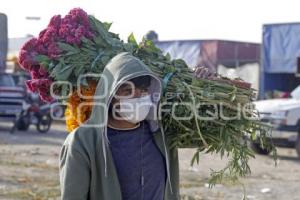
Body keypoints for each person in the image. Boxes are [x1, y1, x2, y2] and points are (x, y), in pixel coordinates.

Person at [59, 52, 215, 200]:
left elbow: (208, 134)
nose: (139, 98)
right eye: (128, 91)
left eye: (144, 90)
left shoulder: (162, 133)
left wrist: (204, 85)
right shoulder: (83, 142)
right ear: (111, 96)